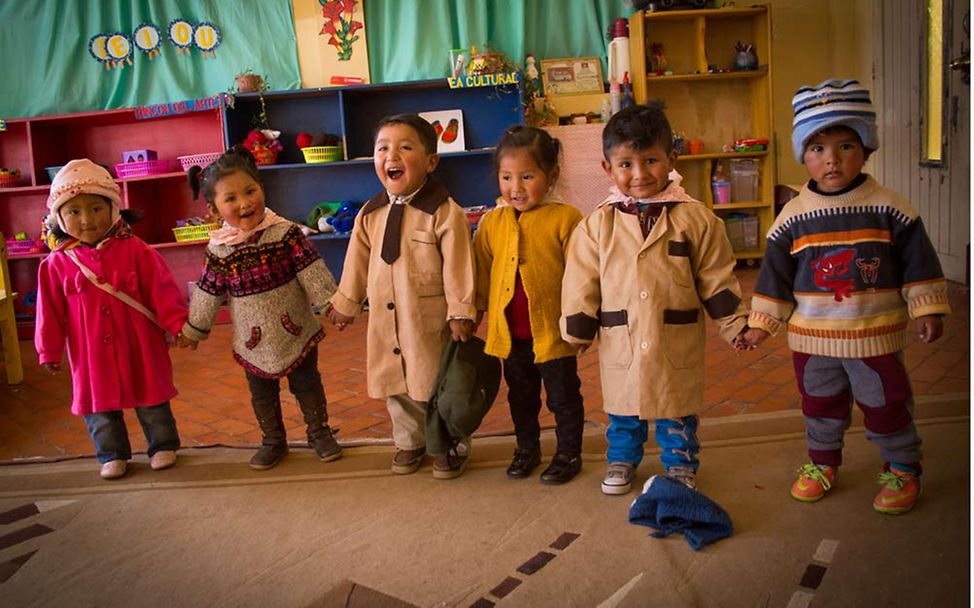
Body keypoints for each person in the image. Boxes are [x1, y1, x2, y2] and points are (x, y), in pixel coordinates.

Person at [737, 79, 951, 514]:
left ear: (866, 148)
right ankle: (822, 462)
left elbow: (918, 263)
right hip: (813, 340)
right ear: (803, 155)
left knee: (886, 402)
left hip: (874, 335)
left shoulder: (890, 207)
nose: (831, 159)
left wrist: (926, 305)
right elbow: (775, 278)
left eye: (845, 145)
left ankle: (903, 467)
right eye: (816, 148)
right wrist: (761, 323)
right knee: (820, 404)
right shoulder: (792, 217)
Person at [561, 103, 749, 495]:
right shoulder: (597, 225)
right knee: (622, 407)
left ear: (671, 160)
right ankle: (622, 458)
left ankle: (680, 463)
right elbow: (581, 279)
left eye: (650, 160)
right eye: (626, 164)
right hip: (621, 334)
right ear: (607, 169)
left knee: (675, 406)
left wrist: (734, 325)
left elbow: (716, 276)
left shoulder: (697, 219)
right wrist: (578, 326)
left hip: (672, 333)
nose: (640, 174)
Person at [325, 113, 477, 479]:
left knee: (435, 383)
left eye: (405, 147)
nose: (391, 155)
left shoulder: (444, 212)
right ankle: (409, 441)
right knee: (396, 383)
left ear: (430, 162)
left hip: (427, 319)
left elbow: (459, 265)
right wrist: (346, 302)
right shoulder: (370, 214)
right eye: (383, 148)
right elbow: (356, 262)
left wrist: (461, 310)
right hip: (385, 317)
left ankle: (449, 443)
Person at [178, 147, 341, 471]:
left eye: (251, 191)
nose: (245, 203)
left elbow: (312, 270)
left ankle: (319, 433)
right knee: (262, 394)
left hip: (296, 329)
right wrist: (194, 329)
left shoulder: (286, 233)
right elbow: (209, 291)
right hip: (252, 342)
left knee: (307, 384)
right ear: (214, 210)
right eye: (232, 198)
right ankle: (273, 440)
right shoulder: (220, 251)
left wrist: (331, 304)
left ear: (262, 189)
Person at [35, 159, 186, 480]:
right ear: (58, 218)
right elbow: (47, 312)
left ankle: (163, 445)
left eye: (95, 208)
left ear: (113, 209)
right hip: (89, 350)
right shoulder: (55, 265)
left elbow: (162, 290)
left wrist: (177, 324)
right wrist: (47, 350)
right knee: (98, 404)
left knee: (152, 397)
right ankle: (112, 454)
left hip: (139, 341)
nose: (87, 220)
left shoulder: (137, 251)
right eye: (73, 212)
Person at [472, 126, 585, 484]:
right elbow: (482, 275)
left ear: (550, 176)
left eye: (527, 176)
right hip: (511, 335)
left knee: (563, 397)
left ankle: (568, 453)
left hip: (553, 333)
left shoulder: (566, 219)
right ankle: (527, 448)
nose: (515, 187)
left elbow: (582, 277)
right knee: (521, 397)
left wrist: (583, 321)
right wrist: (472, 315)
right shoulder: (492, 222)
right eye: (507, 177)